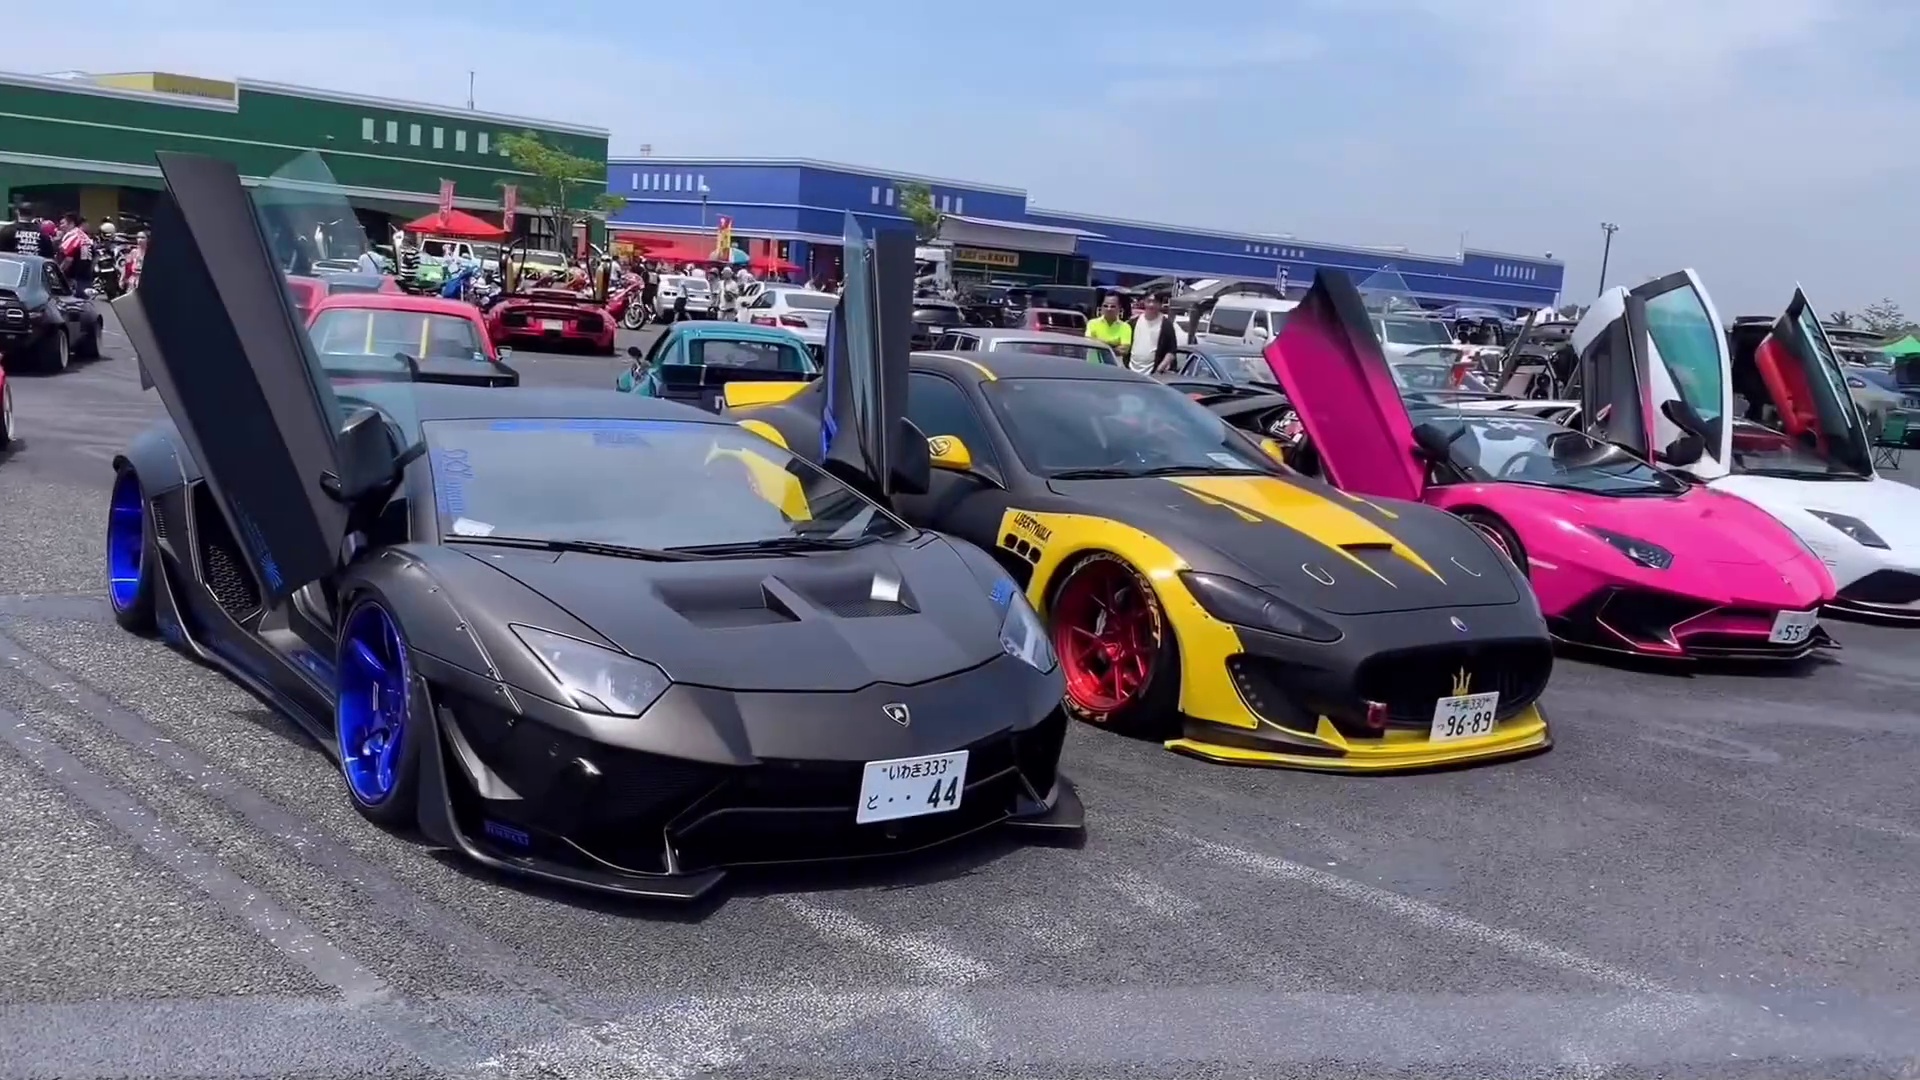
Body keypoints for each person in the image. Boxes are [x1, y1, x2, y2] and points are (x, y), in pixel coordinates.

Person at [1127, 292, 1179, 374]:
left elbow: (1171, 351)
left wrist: (1160, 368)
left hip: (1153, 373)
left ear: (1160, 304)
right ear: (1144, 302)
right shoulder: (1134, 322)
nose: (1151, 305)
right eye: (1149, 301)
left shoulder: (1166, 325)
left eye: (1155, 302)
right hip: (1131, 370)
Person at [1086, 294, 1133, 359]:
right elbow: (1088, 343)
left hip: (1113, 364)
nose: (1109, 309)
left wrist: (1099, 343)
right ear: (1101, 308)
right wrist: (1113, 346)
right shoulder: (1092, 323)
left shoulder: (1125, 327)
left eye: (1113, 306)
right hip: (1092, 362)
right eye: (1105, 306)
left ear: (1119, 308)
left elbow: (1124, 350)